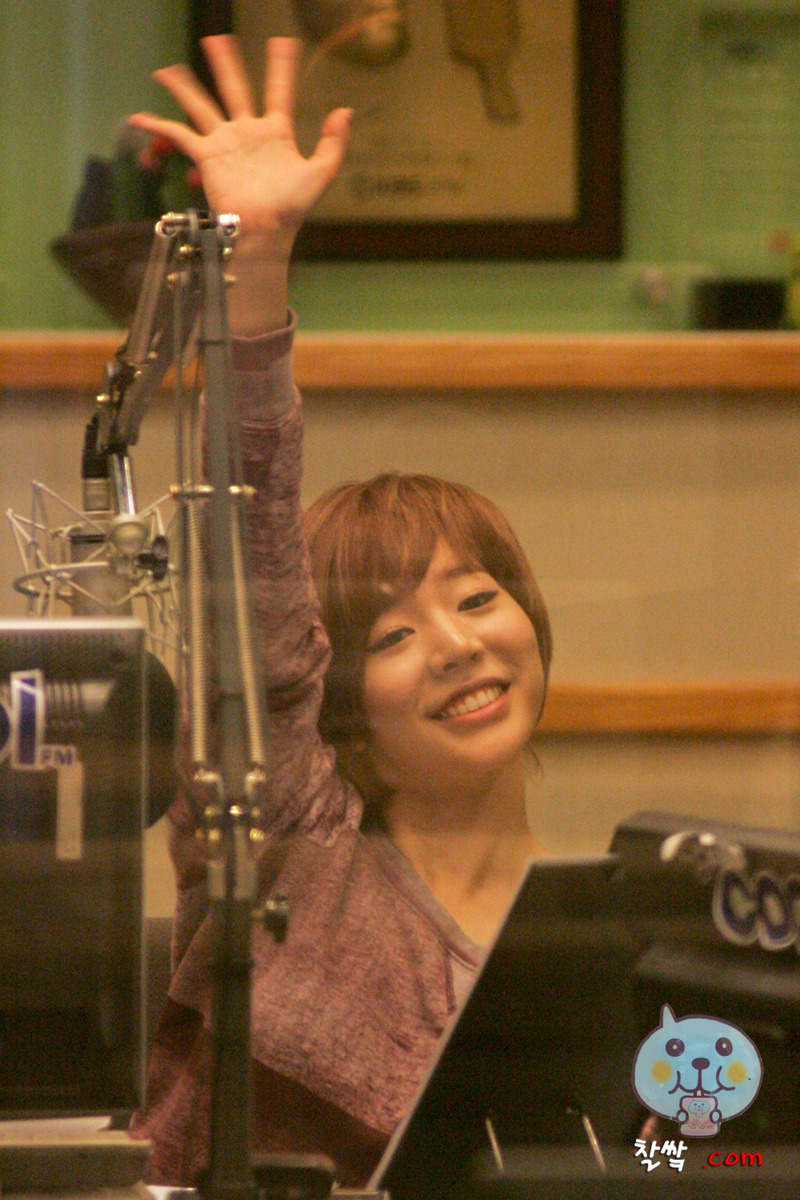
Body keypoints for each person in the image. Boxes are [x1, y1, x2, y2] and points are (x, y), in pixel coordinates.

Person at [127, 34, 552, 1188]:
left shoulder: (586, 926)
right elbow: (252, 588)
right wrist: (256, 269)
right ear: (338, 696)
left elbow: (678, 1154)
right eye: (392, 634)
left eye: (476, 597)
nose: (457, 644)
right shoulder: (296, 847)